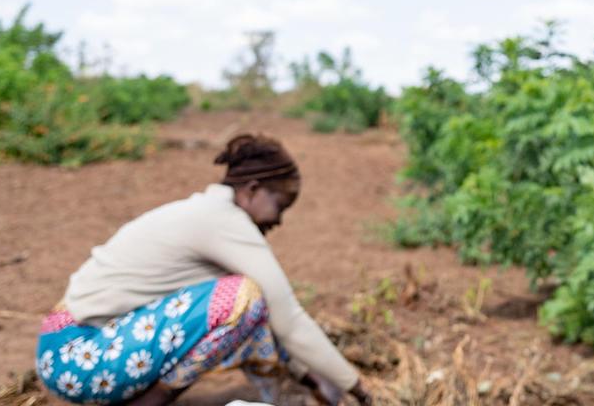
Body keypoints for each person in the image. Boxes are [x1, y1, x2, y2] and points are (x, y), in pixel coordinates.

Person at [34, 133, 368, 406]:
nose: (279, 220)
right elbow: (290, 320)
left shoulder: (209, 213)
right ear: (252, 190)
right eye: (280, 205)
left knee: (249, 305)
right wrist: (361, 389)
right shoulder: (223, 221)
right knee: (243, 296)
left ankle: (296, 395)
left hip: (73, 352)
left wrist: (309, 376)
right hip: (78, 357)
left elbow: (270, 322)